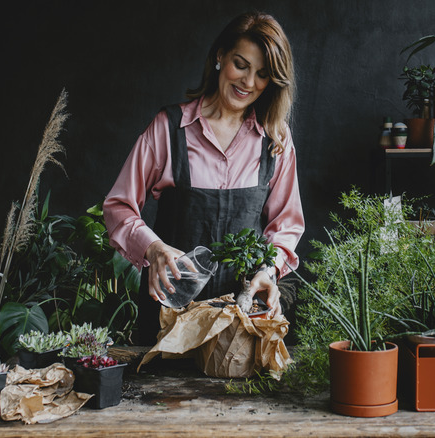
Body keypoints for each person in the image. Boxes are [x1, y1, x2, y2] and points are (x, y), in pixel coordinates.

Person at [103, 11, 304, 345]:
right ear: (219, 56)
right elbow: (118, 207)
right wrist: (151, 248)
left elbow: (287, 225)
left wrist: (269, 271)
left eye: (262, 74)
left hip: (242, 322)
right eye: (241, 64)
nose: (248, 82)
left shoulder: (275, 138)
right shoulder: (168, 129)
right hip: (170, 319)